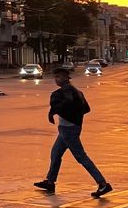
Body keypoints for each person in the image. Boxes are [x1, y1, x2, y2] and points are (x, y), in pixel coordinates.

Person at [34, 66, 112, 198]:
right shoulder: (77, 91)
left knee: (81, 157)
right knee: (55, 153)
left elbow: (66, 105)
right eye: (55, 77)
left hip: (68, 129)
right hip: (69, 128)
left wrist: (61, 113)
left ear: (65, 78)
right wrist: (75, 117)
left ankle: (102, 183)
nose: (56, 79)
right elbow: (86, 109)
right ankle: (50, 182)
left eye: (58, 77)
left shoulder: (66, 92)